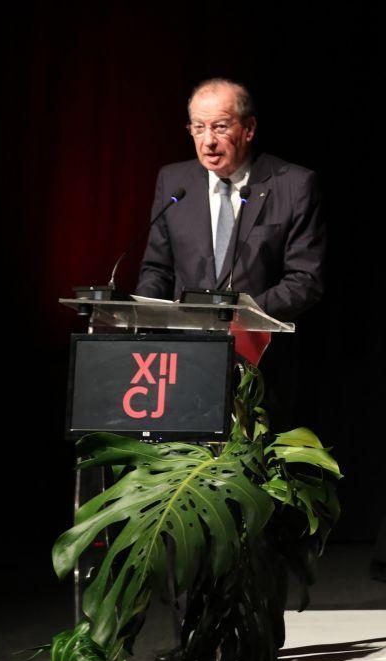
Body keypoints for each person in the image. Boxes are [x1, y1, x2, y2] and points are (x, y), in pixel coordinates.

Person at [137, 78, 325, 428]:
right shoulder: (174, 183)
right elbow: (157, 270)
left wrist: (241, 318)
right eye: (198, 128)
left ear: (249, 128)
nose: (208, 141)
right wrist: (145, 327)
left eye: (221, 127)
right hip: (180, 369)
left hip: (261, 372)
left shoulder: (293, 184)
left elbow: (305, 280)